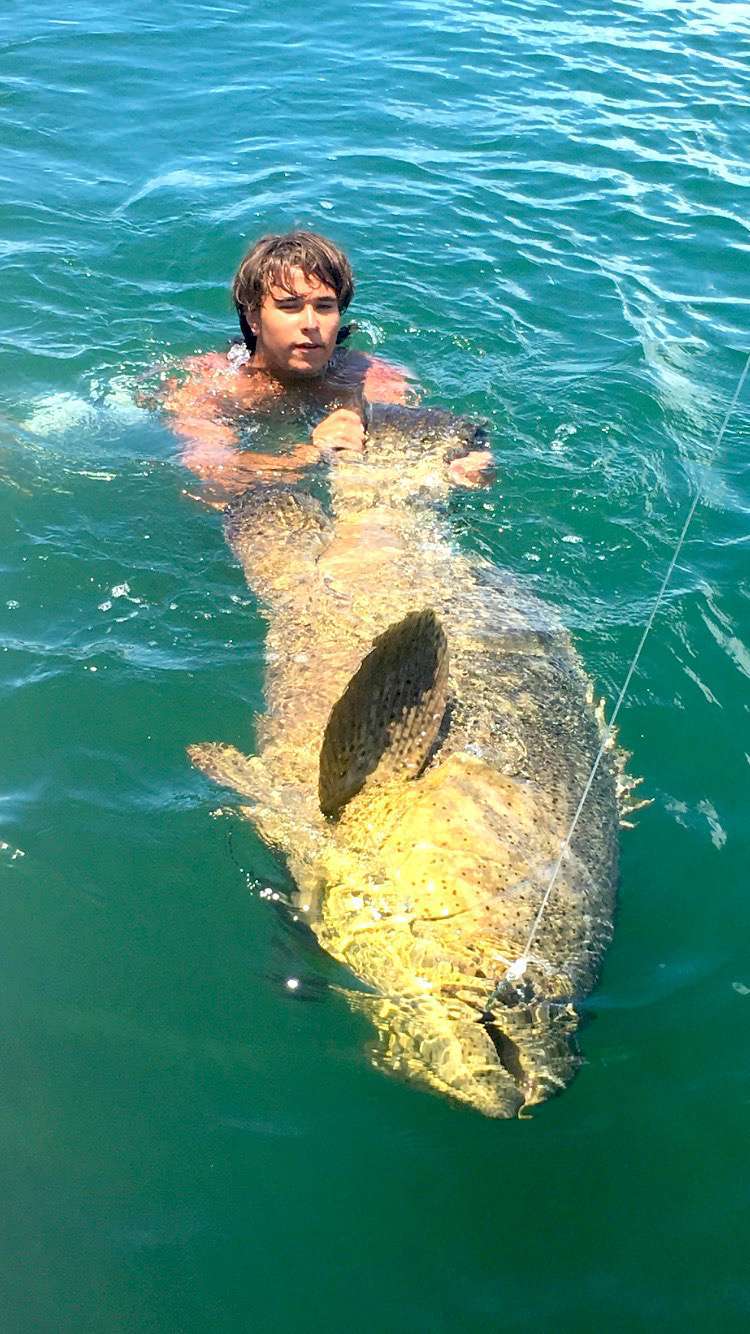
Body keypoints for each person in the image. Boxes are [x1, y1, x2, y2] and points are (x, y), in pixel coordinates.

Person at [164, 230, 493, 500]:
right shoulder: (211, 384)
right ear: (253, 318)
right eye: (289, 307)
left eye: (324, 307)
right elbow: (215, 482)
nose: (311, 323)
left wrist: (465, 457)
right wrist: (310, 452)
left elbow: (409, 451)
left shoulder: (369, 377)